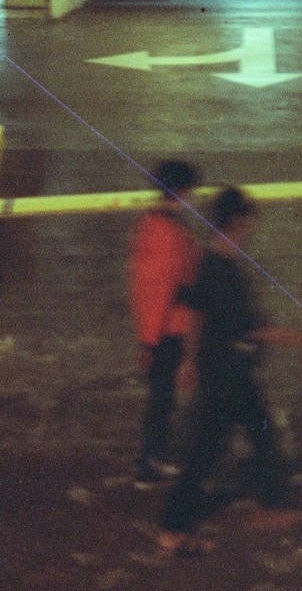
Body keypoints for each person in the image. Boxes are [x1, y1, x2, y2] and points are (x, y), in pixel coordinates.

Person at [157, 186, 302, 557]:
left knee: (261, 431)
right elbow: (252, 329)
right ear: (238, 223)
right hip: (228, 374)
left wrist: (188, 361)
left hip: (220, 368)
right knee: (209, 450)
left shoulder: (207, 263)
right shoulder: (225, 272)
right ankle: (173, 529)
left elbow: (194, 314)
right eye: (250, 222)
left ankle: (276, 505)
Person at [128, 159, 202, 488]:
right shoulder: (170, 234)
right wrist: (151, 342)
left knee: (162, 397)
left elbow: (144, 286)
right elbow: (162, 289)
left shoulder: (151, 223)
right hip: (170, 331)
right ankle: (151, 463)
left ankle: (154, 458)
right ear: (183, 191)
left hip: (161, 329)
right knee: (163, 398)